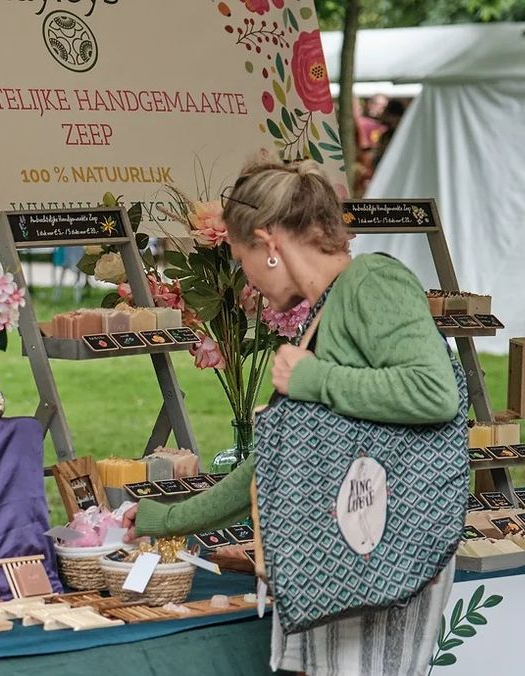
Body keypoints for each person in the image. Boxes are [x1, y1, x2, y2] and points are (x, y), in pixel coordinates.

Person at [123, 160, 460, 676]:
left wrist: (313, 379)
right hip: (350, 561)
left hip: (384, 558)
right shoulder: (325, 313)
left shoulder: (374, 282)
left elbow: (435, 392)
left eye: (243, 259)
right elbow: (271, 468)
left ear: (269, 243)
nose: (248, 280)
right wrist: (162, 519)